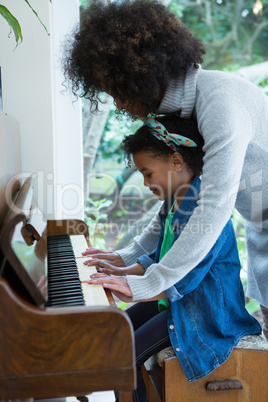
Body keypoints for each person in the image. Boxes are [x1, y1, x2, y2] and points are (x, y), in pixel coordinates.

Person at [63, 0, 268, 335]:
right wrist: (128, 256)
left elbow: (213, 208)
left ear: (138, 76)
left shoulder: (220, 105)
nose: (118, 103)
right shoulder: (185, 113)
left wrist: (149, 283)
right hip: (262, 226)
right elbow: (174, 211)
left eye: (117, 91)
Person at [84, 115, 261, 402]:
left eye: (148, 173)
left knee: (122, 356)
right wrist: (119, 270)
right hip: (176, 301)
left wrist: (128, 284)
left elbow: (185, 278)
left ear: (176, 162)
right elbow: (158, 254)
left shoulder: (204, 211)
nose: (144, 183)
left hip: (202, 312)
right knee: (112, 336)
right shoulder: (174, 199)